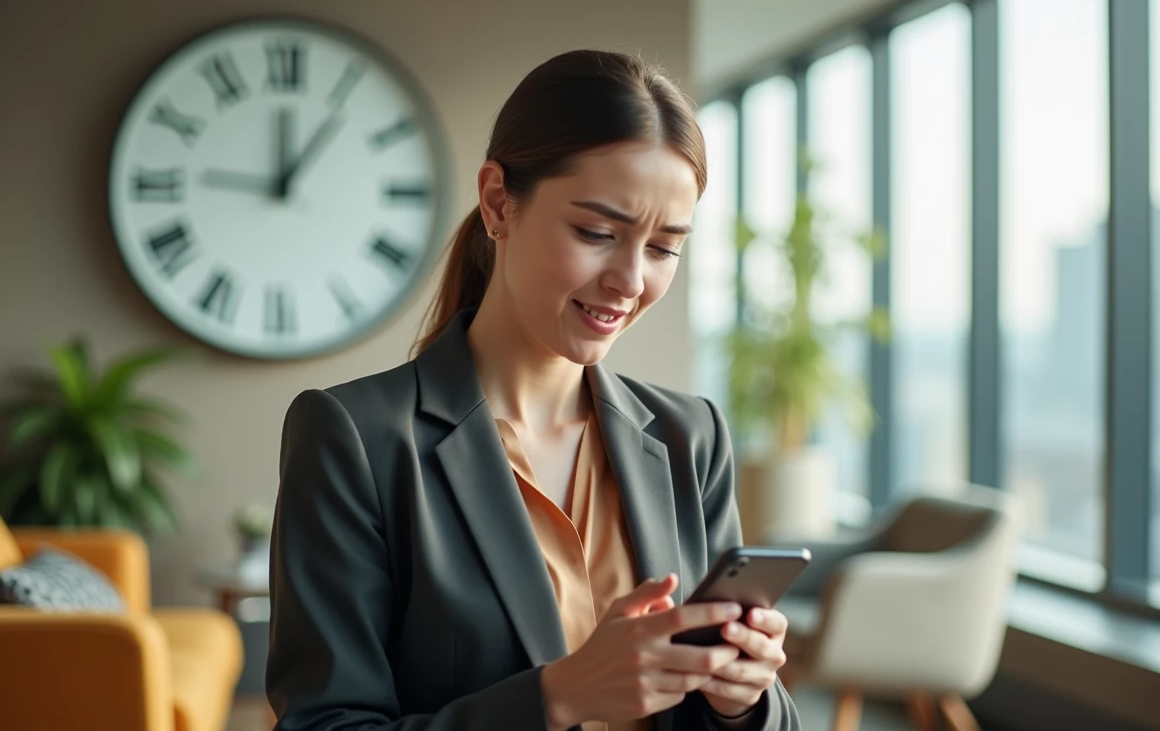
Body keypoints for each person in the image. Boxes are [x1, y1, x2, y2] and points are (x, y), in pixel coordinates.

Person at [266, 49, 802, 730]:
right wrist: (557, 698)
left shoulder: (689, 437)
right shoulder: (356, 436)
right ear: (497, 201)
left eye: (665, 247)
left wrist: (742, 701)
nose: (632, 280)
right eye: (597, 232)